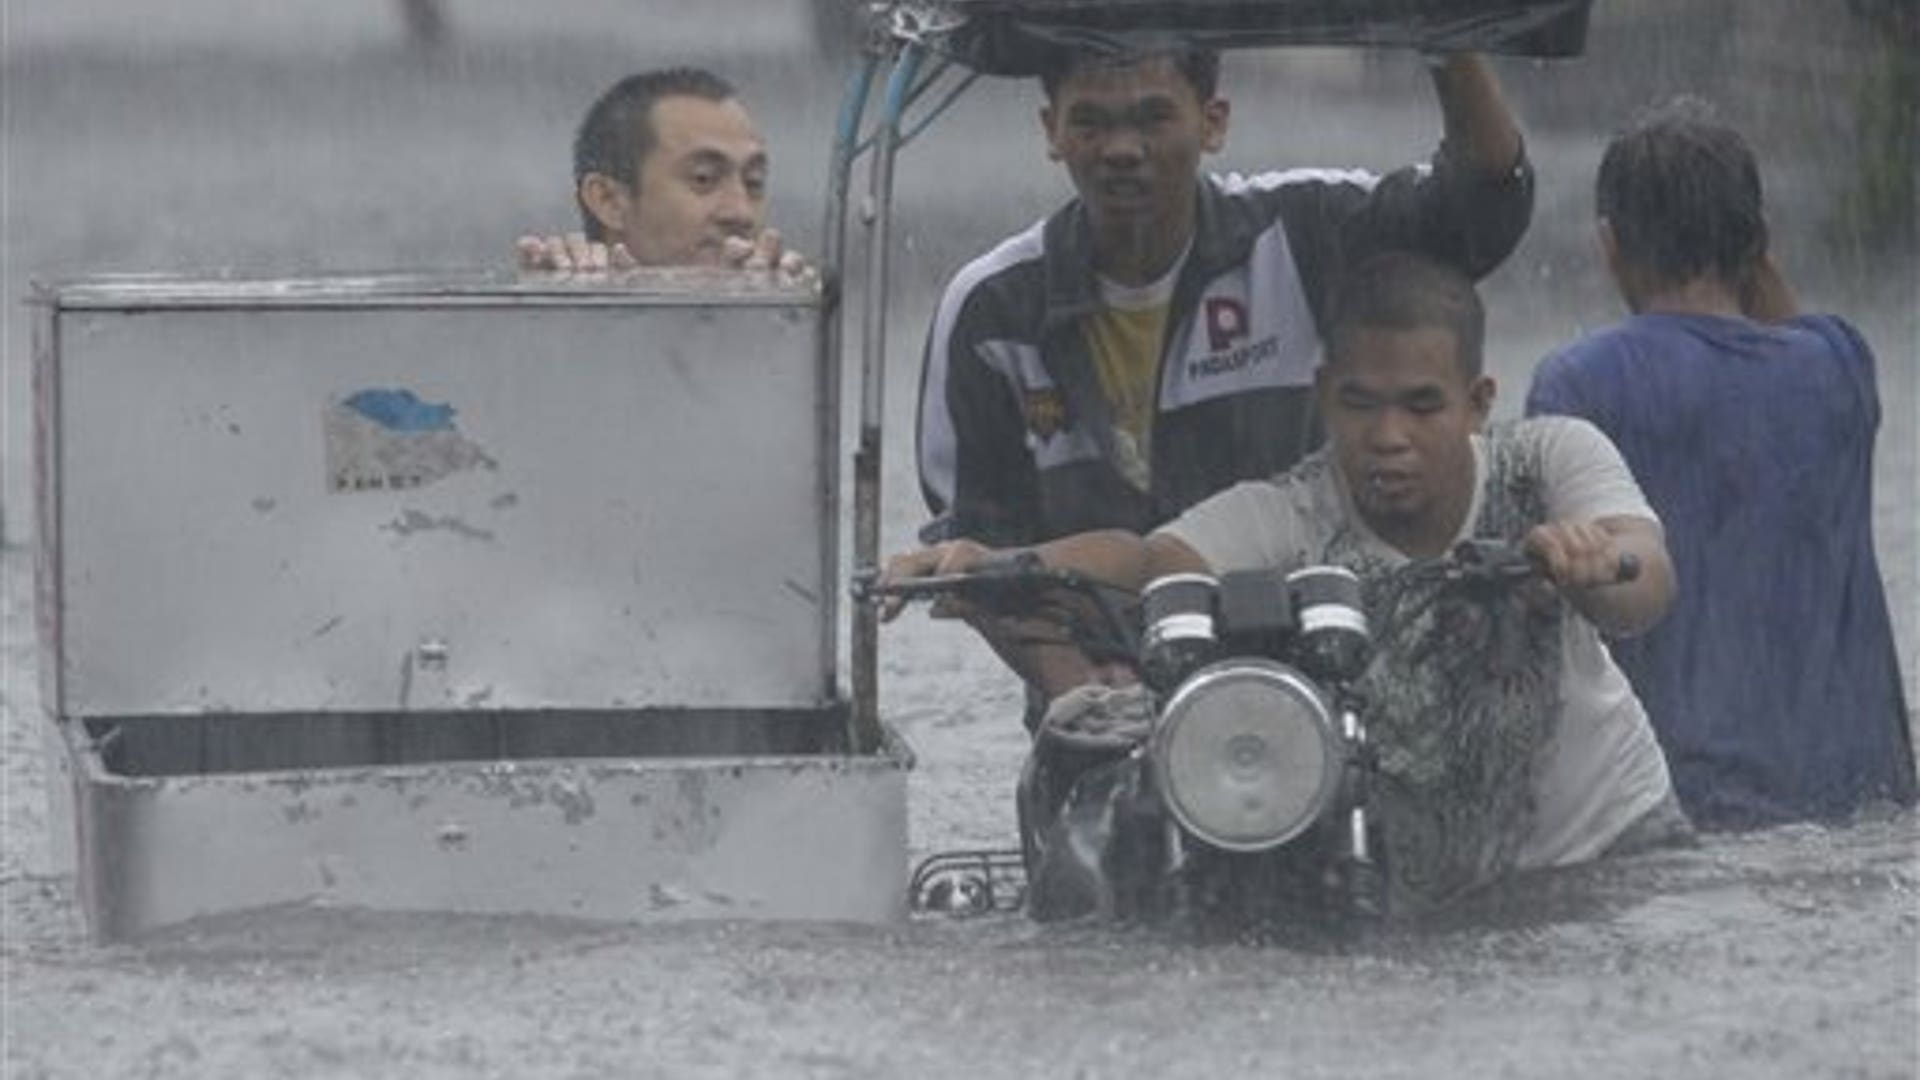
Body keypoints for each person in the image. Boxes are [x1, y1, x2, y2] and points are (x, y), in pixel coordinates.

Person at [885, 251, 1687, 910]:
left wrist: (1588, 568)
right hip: (1428, 898)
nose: (1388, 438)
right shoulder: (1291, 514)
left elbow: (1645, 579)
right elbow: (1141, 562)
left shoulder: (1550, 461)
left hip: (1614, 855)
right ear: (1322, 398)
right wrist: (1001, 566)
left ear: (1477, 403)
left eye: (1421, 406)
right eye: (1359, 405)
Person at [914, 46, 1534, 708]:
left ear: (1213, 123)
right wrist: (1079, 688)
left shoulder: (1301, 232)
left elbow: (1479, 211)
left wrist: (1451, 48)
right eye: (1091, 123)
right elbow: (976, 553)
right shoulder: (991, 308)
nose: (1122, 149)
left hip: (1322, 679)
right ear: (1051, 132)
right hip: (1100, 697)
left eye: (1154, 118)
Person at [1524, 101, 1917, 830]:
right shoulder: (1840, 367)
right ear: (1758, 242)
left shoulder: (1576, 382)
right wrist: (1749, 250)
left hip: (1684, 807)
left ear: (1610, 246)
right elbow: (1778, 327)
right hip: (1866, 800)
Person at [515, 67, 809, 277]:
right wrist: (556, 308)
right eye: (704, 179)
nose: (741, 213)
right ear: (608, 200)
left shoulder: (788, 318)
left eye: (754, 183)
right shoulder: (554, 316)